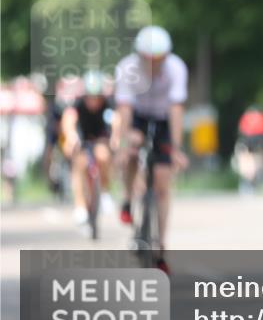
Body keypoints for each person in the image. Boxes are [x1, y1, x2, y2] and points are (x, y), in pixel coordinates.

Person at [111, 25, 189, 273]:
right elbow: (124, 109)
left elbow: (176, 110)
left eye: (159, 60)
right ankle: (127, 198)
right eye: (149, 60)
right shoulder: (127, 68)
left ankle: (160, 247)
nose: (154, 65)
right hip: (138, 116)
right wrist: (125, 144)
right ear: (140, 56)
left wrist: (176, 148)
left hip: (164, 118)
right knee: (133, 148)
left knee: (163, 184)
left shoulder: (176, 68)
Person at [60, 70, 114, 227]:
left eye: (96, 96)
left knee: (103, 156)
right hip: (82, 138)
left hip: (101, 137)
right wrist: (70, 137)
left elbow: (116, 120)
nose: (93, 100)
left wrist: (115, 138)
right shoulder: (78, 103)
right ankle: (80, 205)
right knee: (80, 164)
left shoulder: (108, 103)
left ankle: (104, 192)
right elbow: (68, 118)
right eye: (90, 96)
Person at [234, 105, 263, 194]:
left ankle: (248, 181)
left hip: (248, 142)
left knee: (247, 161)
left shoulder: (246, 117)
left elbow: (242, 130)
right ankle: (257, 178)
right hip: (259, 142)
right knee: (258, 160)